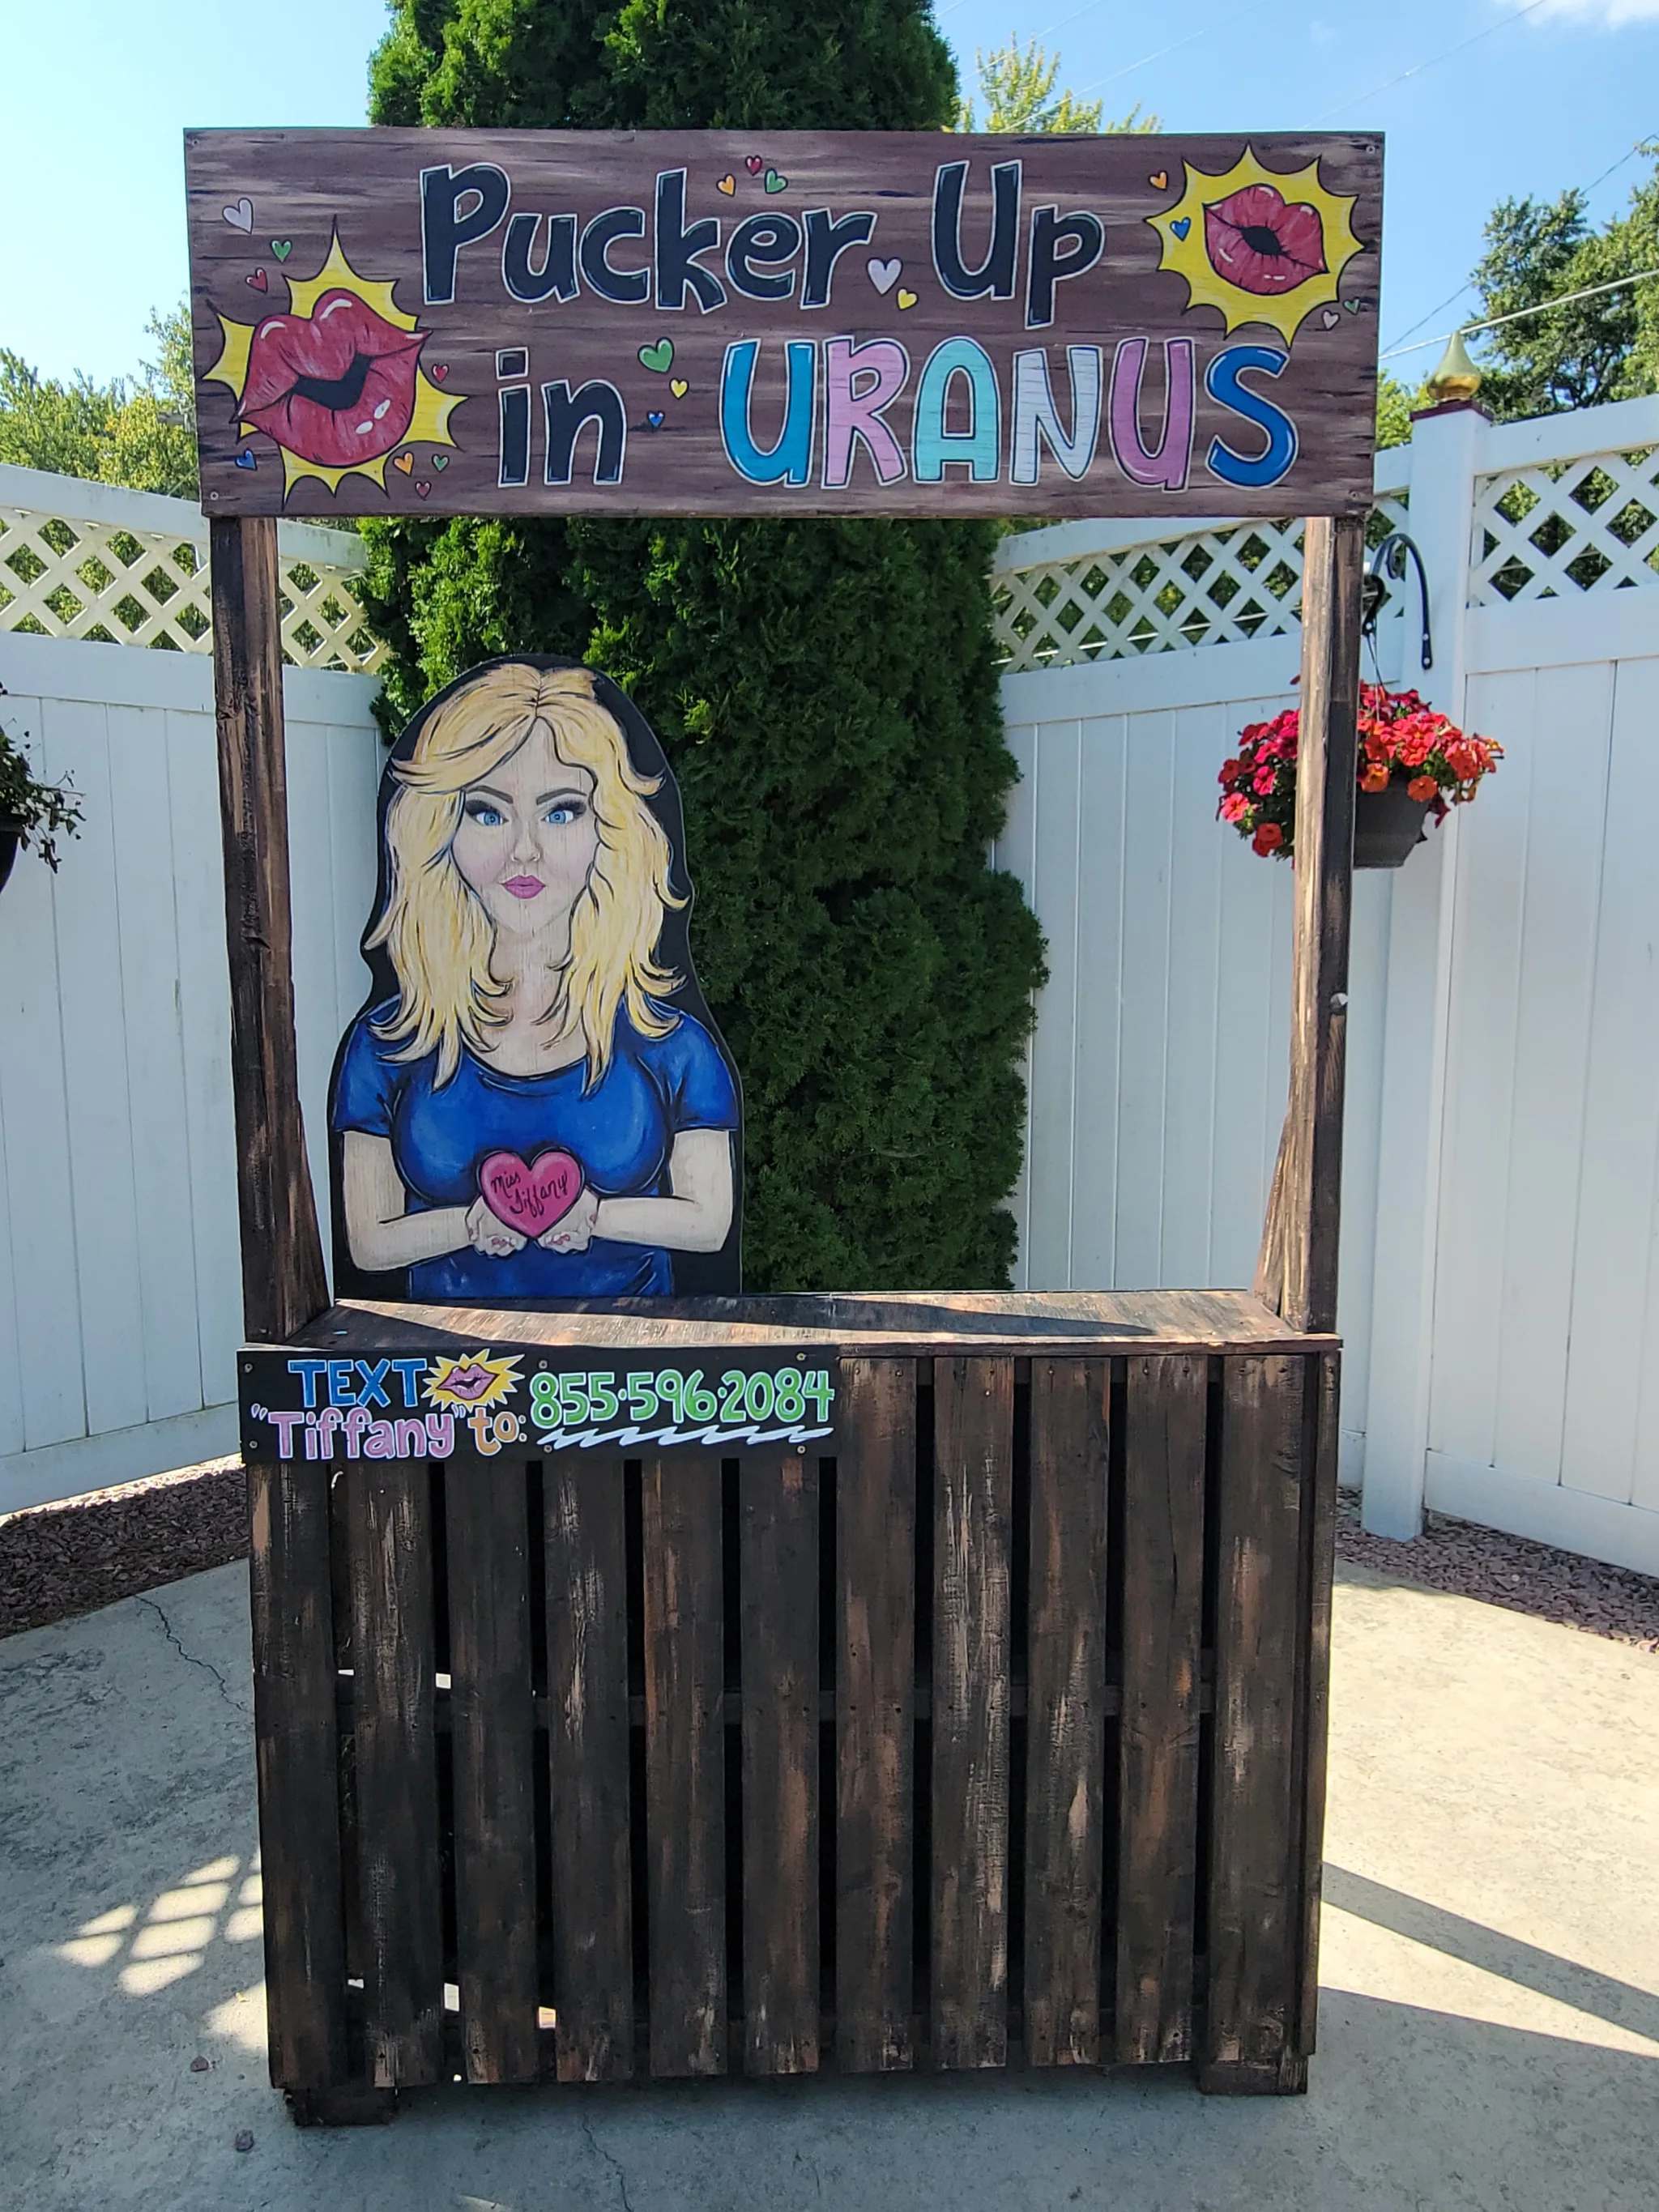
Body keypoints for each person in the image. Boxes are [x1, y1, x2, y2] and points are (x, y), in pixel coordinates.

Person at [331, 661, 737, 1299]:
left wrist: (596, 1216)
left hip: (632, 1381)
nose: (525, 849)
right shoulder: (389, 1045)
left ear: (611, 831)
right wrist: (470, 1223)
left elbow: (711, 1219)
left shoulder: (670, 1042)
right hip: (449, 1383)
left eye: (562, 811)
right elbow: (367, 1239)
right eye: (488, 813)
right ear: (440, 830)